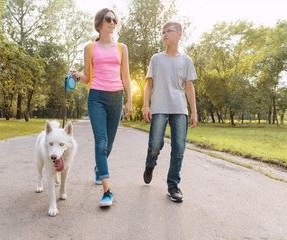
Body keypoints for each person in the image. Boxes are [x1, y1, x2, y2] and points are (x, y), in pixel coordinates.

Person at [72, 8, 132, 207]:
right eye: (108, 19)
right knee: (101, 142)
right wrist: (77, 75)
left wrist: (129, 101)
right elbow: (88, 76)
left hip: (116, 97)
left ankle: (99, 168)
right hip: (96, 96)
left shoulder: (122, 47)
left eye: (115, 19)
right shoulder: (90, 48)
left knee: (110, 144)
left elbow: (126, 77)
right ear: (99, 23)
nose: (112, 22)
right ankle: (107, 191)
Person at [142, 21, 197, 202]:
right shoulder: (156, 59)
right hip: (159, 107)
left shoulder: (186, 60)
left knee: (179, 149)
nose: (165, 34)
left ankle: (173, 185)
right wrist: (145, 105)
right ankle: (150, 164)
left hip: (179, 109)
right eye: (163, 32)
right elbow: (149, 84)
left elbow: (189, 87)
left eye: (169, 31)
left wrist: (194, 112)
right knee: (155, 144)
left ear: (179, 34)